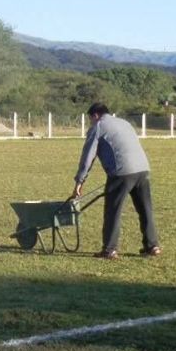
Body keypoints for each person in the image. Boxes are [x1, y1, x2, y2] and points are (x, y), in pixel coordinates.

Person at [71, 103, 160, 260]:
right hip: (143, 170)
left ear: (95, 115)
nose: (91, 122)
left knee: (113, 211)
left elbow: (87, 158)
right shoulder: (124, 123)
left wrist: (79, 181)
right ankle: (152, 246)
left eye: (90, 119)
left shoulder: (98, 127)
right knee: (145, 209)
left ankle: (109, 250)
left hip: (121, 172)